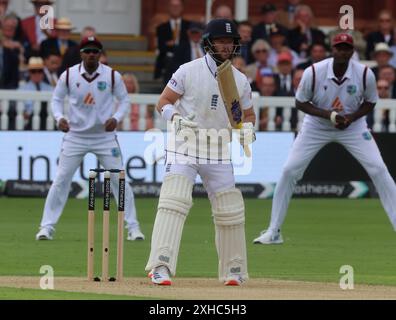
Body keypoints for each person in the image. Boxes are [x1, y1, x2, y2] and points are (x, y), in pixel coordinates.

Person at [253, 33, 396, 244]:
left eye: (347, 48)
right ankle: (274, 231)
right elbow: (300, 102)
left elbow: (370, 101)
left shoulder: (365, 73)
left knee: (379, 169)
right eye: (339, 48)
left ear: (352, 51)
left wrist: (351, 117)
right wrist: (329, 115)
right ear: (333, 49)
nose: (343, 51)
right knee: (289, 170)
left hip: (353, 127)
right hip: (316, 126)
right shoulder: (314, 72)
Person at [145, 19, 256, 286]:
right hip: (185, 144)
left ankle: (234, 269)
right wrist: (175, 119)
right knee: (174, 201)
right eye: (221, 41)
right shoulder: (188, 70)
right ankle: (160, 266)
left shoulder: (240, 81)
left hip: (218, 148)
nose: (226, 46)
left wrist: (247, 130)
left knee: (229, 208)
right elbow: (163, 102)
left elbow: (247, 114)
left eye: (230, 42)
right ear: (208, 43)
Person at [35, 36, 145, 241]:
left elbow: (124, 101)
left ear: (100, 54)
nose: (91, 54)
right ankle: (46, 227)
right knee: (61, 179)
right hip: (75, 135)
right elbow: (56, 99)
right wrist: (59, 118)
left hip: (104, 136)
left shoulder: (112, 76)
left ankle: (133, 228)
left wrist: (116, 117)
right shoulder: (68, 75)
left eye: (95, 51)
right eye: (88, 51)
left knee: (119, 179)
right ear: (81, 53)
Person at [19, 57, 53, 130]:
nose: (37, 74)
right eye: (33, 71)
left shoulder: (50, 89)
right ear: (29, 72)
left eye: (40, 71)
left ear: (43, 72)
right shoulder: (21, 89)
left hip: (47, 120)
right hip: (29, 122)